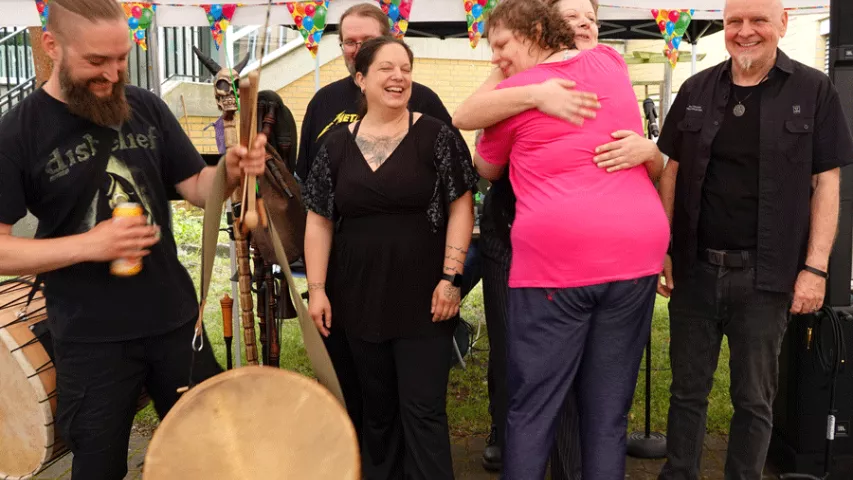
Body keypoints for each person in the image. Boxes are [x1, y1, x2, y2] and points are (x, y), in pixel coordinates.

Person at [0, 1, 267, 478]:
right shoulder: (18, 132)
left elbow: (197, 190)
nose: (113, 73)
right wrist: (91, 245)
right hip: (90, 339)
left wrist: (231, 169)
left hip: (175, 324)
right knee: (99, 469)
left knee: (214, 457)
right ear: (51, 45)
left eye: (121, 58)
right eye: (96, 62)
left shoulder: (145, 106)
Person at [453, 0, 663, 475]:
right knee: (607, 415)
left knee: (533, 409)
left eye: (502, 44)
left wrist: (521, 88)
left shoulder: (513, 96)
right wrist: (529, 85)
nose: (495, 58)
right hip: (636, 255)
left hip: (557, 261)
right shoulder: (609, 62)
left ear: (534, 33)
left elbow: (482, 156)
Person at [655, 0, 853, 478]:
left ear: (782, 23)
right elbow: (671, 171)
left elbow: (826, 183)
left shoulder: (814, 89)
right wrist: (661, 247)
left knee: (754, 399)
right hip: (696, 270)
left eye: (758, 20)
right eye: (734, 22)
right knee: (686, 393)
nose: (745, 32)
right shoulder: (696, 88)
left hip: (768, 276)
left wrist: (816, 267)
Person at [295, 2, 479, 446]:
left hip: (424, 294)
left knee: (423, 409)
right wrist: (317, 290)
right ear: (360, 78)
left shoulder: (437, 134)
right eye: (386, 68)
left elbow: (462, 206)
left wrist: (451, 278)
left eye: (405, 68)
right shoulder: (336, 145)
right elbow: (318, 218)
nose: (399, 76)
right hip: (356, 293)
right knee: (375, 410)